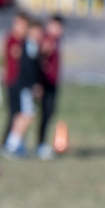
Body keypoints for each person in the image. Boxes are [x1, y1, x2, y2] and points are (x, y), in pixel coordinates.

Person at [2, 18, 44, 157]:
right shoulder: (27, 45)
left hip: (26, 85)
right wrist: (33, 85)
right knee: (26, 114)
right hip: (24, 85)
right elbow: (27, 68)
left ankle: (16, 143)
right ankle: (12, 144)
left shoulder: (34, 46)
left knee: (24, 114)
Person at [34, 15, 63, 159]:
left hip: (53, 82)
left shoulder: (57, 40)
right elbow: (39, 58)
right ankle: (40, 144)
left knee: (49, 113)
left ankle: (42, 143)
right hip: (45, 83)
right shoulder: (46, 40)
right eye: (55, 26)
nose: (59, 30)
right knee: (44, 114)